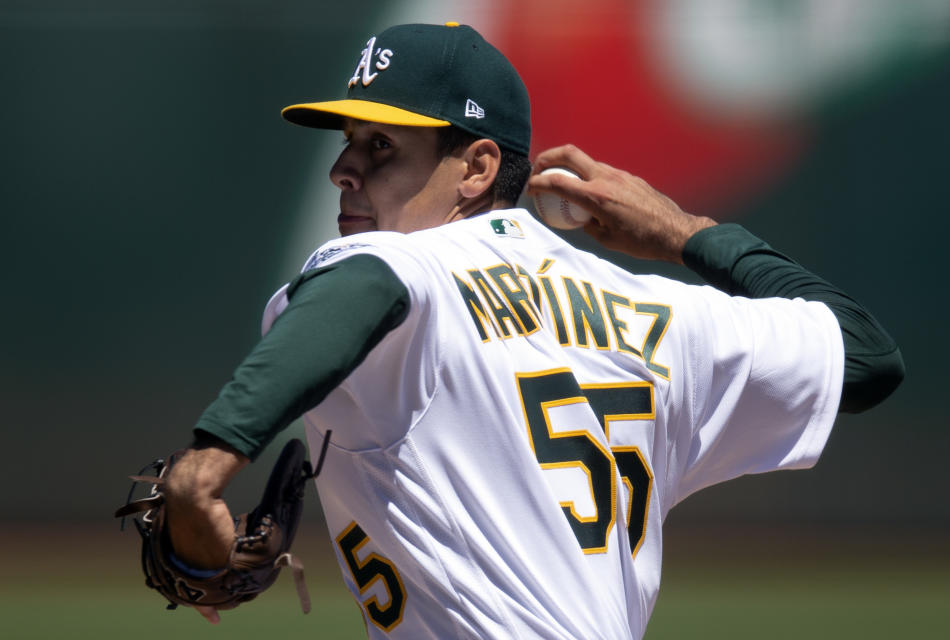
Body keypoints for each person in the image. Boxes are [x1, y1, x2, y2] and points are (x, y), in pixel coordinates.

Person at [162, 22, 904, 638]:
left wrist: (205, 468)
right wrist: (686, 233)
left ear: (478, 168)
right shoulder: (661, 314)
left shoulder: (399, 267)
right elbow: (866, 356)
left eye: (381, 146)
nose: (343, 170)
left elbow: (366, 285)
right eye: (348, 142)